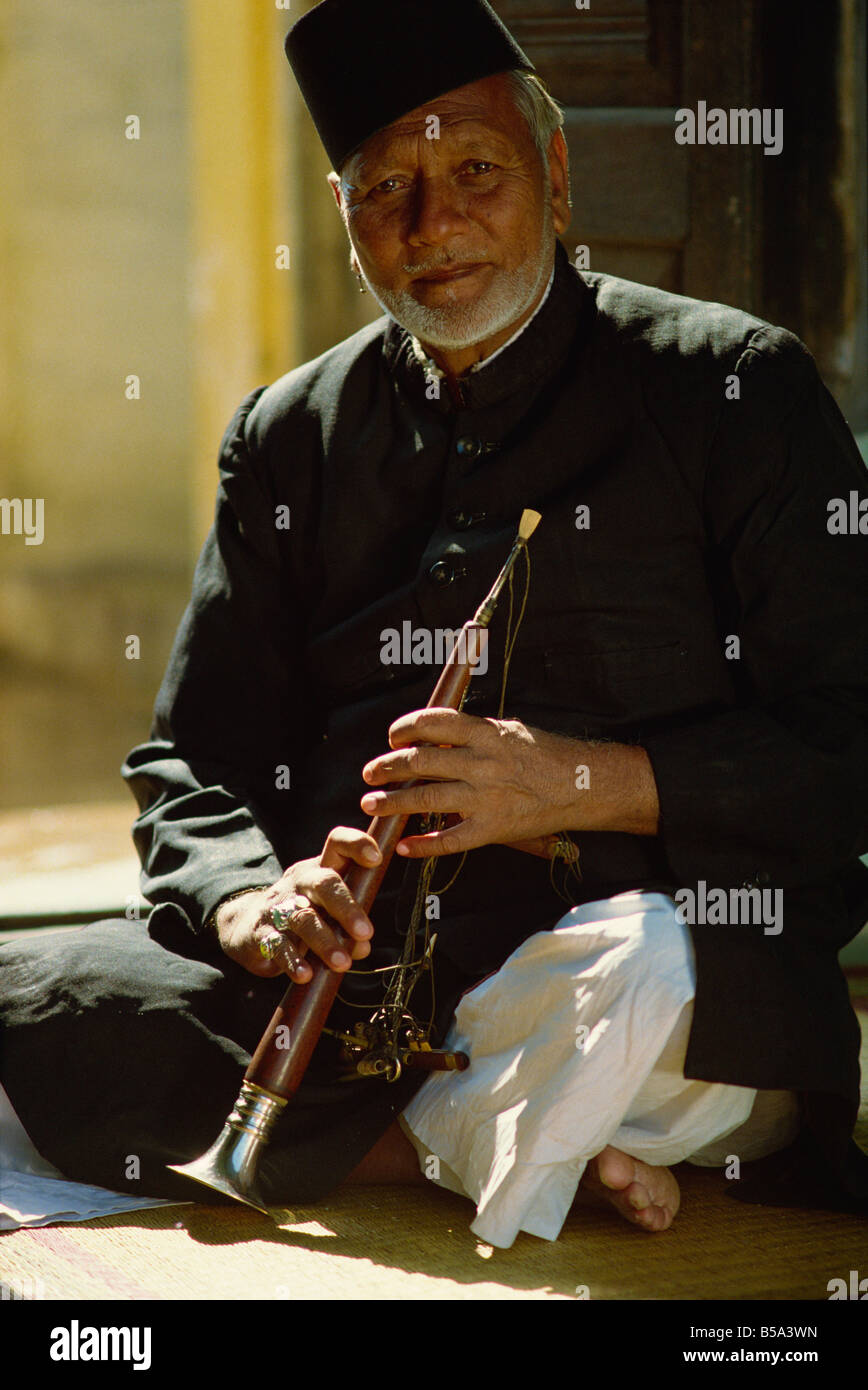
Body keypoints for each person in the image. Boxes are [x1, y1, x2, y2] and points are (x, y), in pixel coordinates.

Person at [2, 0, 867, 1249]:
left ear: (556, 179)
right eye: (385, 189)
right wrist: (254, 901)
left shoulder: (737, 387)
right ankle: (481, 1143)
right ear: (349, 226)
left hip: (626, 976)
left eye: (475, 172)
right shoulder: (292, 434)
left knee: (652, 972)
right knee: (44, 989)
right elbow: (191, 764)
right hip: (365, 1004)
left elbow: (848, 746)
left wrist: (579, 783)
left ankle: (455, 1132)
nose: (434, 224)